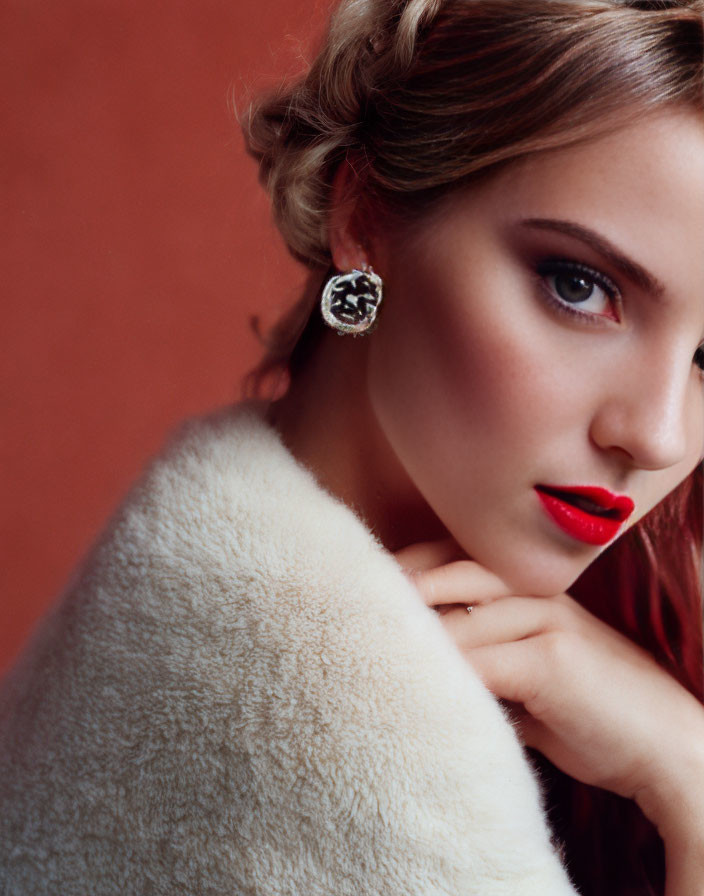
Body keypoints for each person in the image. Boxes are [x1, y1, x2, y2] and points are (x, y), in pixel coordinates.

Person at [1, 0, 703, 894]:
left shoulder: (199, 546)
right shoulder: (356, 727)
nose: (657, 434)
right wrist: (690, 784)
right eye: (579, 285)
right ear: (363, 218)